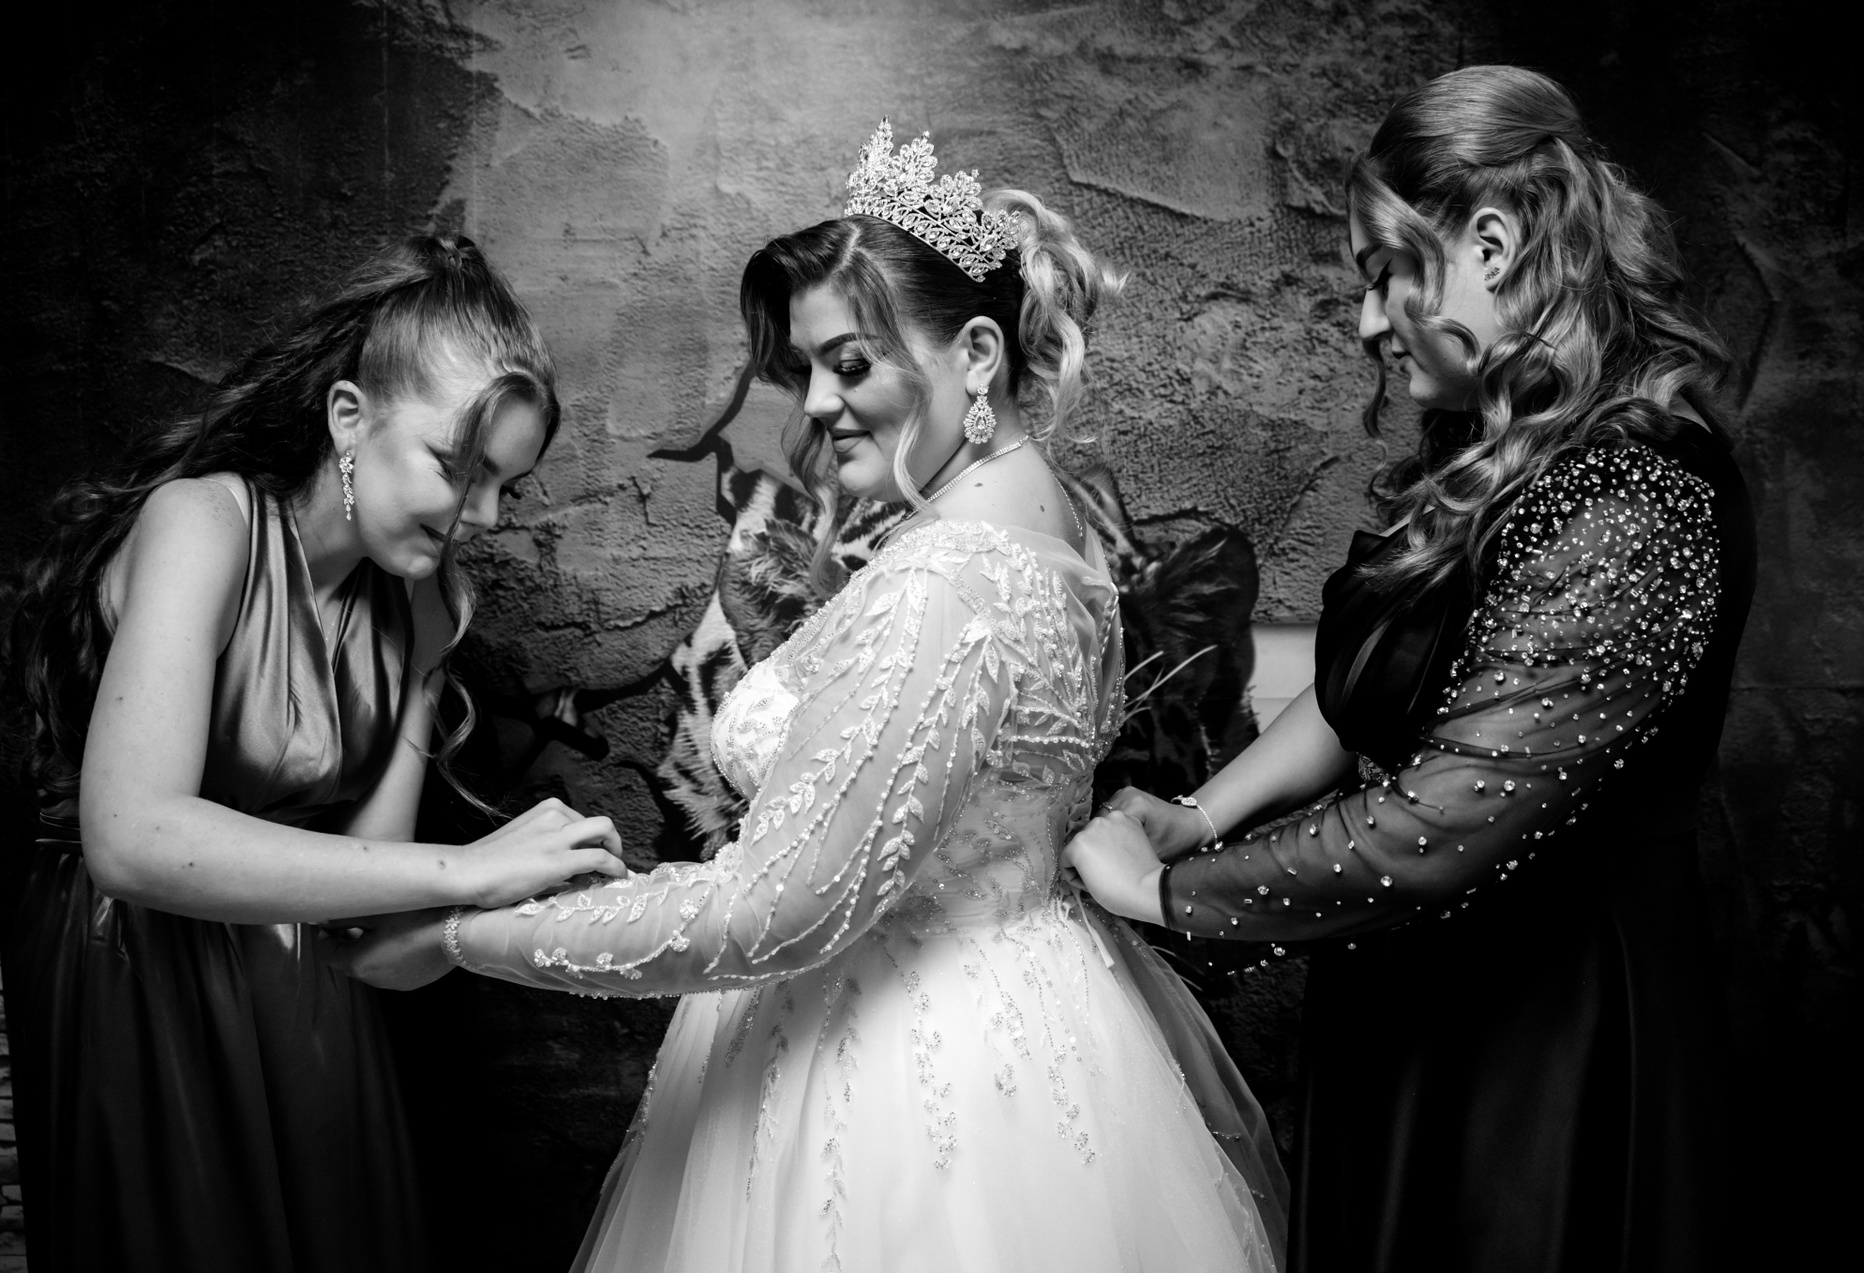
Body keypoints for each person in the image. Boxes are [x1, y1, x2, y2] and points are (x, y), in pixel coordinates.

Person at [330, 123, 1285, 1273]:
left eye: (852, 362)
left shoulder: (951, 577)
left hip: (898, 1096)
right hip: (1033, 1030)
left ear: (978, 353)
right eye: (807, 370)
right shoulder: (1051, 538)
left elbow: (775, 912)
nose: (817, 403)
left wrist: (468, 933)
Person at [1065, 65, 1755, 1272]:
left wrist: (1167, 894)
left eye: (1387, 273)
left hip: (1545, 1055)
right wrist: (1199, 813)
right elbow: (1367, 693)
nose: (1370, 322)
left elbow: (1447, 817)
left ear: (1490, 243)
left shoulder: (1639, 489)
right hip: (1416, 1001)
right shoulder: (1495, 448)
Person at [0, 236, 629, 1273]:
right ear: (348, 418)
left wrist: (524, 917)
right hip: (136, 986)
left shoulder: (423, 607)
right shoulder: (204, 524)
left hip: (305, 1008)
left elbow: (367, 932)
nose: (481, 517)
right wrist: (467, 867)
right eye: (457, 468)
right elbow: (129, 836)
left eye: (504, 487)